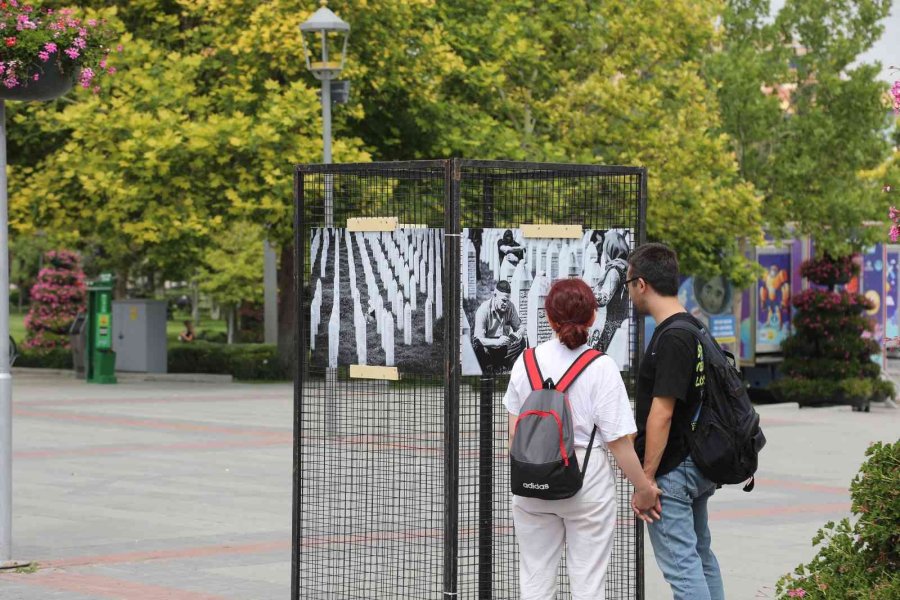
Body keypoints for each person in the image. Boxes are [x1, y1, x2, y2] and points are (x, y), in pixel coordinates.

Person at [504, 278, 661, 599]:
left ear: (549, 317)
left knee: (534, 581)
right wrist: (644, 489)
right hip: (586, 485)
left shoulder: (525, 361)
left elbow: (514, 433)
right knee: (588, 585)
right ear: (592, 317)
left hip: (531, 483)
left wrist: (537, 469)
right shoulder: (601, 367)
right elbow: (618, 441)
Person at [625, 243, 725, 600]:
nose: (629, 293)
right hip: (696, 461)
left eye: (628, 284)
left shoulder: (671, 337)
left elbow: (662, 412)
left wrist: (647, 479)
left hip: (673, 470)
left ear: (641, 284)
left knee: (683, 568)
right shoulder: (695, 329)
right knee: (700, 556)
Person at [472, 280, 527, 374]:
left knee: (521, 342)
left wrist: (518, 334)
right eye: (503, 300)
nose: (506, 304)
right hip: (488, 348)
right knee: (478, 348)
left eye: (508, 300)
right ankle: (491, 366)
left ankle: (503, 364)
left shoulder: (510, 307)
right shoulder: (483, 310)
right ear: (495, 295)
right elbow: (478, 340)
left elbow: (520, 327)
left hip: (504, 347)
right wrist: (497, 342)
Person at [592, 230, 630, 352]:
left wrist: (587, 294)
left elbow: (604, 298)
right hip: (620, 322)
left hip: (609, 326)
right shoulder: (627, 267)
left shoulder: (615, 270)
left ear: (609, 249)